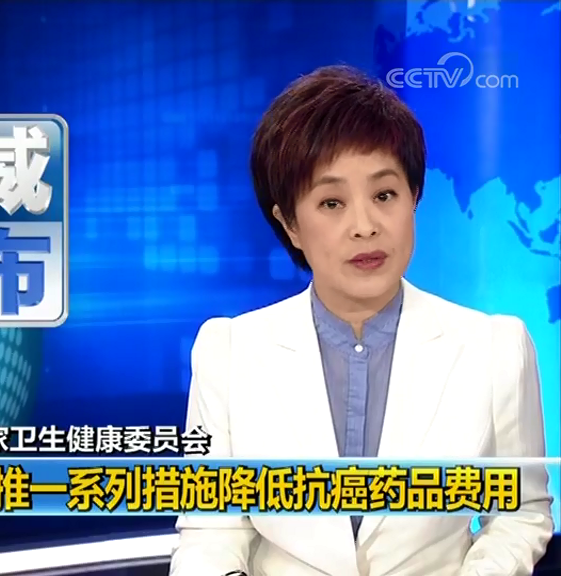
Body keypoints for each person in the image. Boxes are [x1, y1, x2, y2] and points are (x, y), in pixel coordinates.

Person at [169, 65, 553, 576]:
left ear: (414, 197)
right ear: (290, 223)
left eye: (384, 195)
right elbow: (212, 531)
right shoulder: (230, 351)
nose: (365, 226)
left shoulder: (495, 348)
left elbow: (521, 514)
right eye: (331, 202)